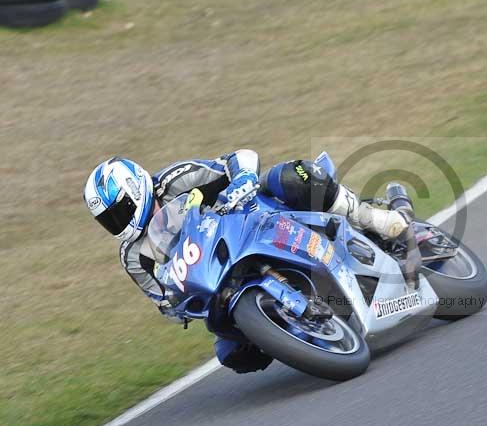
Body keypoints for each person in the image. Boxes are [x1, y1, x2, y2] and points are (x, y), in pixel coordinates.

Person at [83, 150, 408, 373]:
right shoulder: (132, 256)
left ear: (135, 189)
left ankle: (373, 218)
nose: (118, 222)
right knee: (233, 354)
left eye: (120, 210)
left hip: (256, 221)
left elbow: (240, 157)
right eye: (108, 220)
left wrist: (240, 179)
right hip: (218, 277)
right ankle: (310, 334)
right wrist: (175, 305)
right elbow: (163, 300)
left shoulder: (175, 180)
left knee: (293, 176)